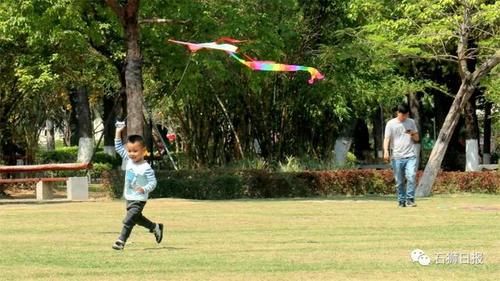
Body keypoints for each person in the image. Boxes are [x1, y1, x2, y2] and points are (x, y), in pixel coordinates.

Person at [112, 124, 164, 250]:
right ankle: (155, 227)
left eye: (135, 151)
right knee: (137, 218)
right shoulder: (128, 160)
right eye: (129, 151)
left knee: (128, 220)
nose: (132, 154)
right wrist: (118, 131)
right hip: (129, 196)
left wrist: (144, 189)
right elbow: (118, 146)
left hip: (139, 199)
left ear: (143, 150)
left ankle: (121, 241)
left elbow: (153, 182)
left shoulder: (146, 168)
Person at [383, 104, 419, 207]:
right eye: (402, 115)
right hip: (397, 157)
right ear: (398, 113)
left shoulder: (411, 122)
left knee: (411, 176)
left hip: (410, 155)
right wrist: (386, 151)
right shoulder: (390, 124)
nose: (404, 117)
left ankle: (410, 200)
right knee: (399, 181)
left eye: (406, 115)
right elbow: (387, 138)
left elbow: (416, 139)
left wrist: (412, 133)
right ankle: (401, 201)